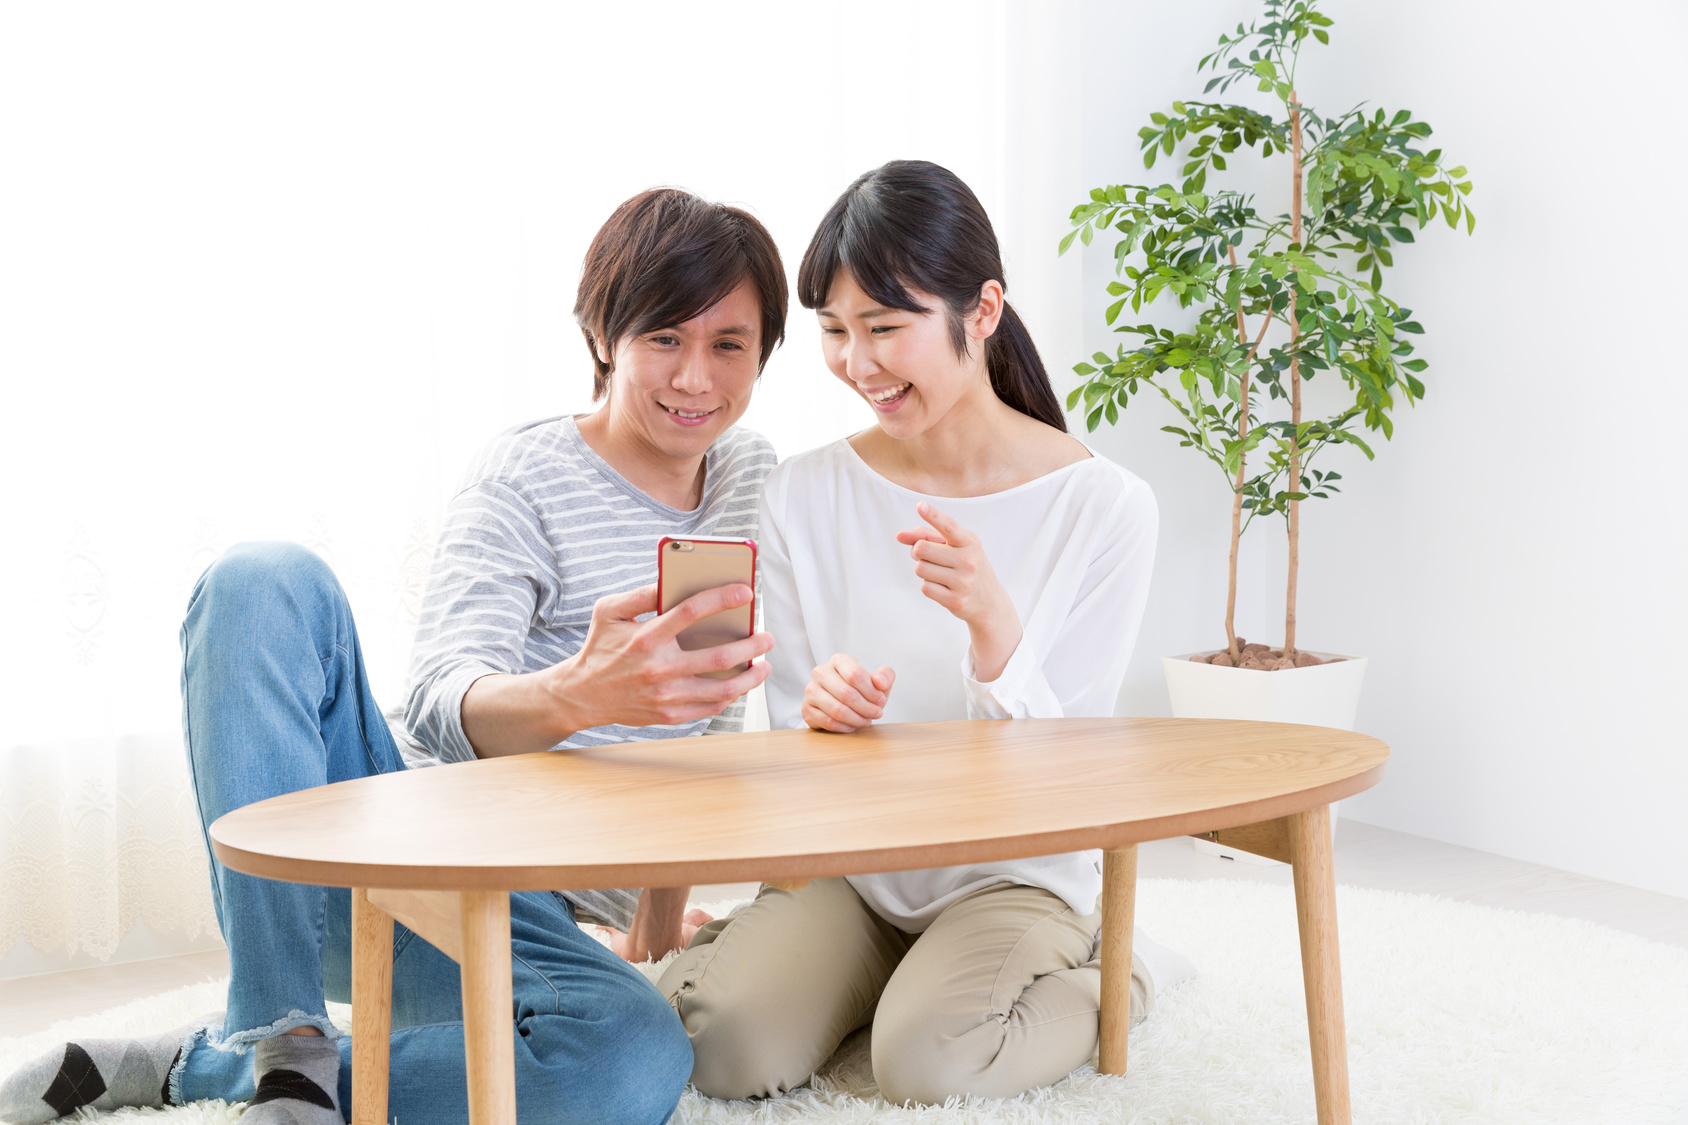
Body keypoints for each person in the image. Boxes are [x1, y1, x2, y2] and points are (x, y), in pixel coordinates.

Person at [1, 187, 786, 1125]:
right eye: (665, 337)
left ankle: (238, 1070)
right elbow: (441, 702)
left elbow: (699, 735)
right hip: (403, 867)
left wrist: (649, 933)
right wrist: (579, 693)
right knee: (263, 579)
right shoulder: (526, 475)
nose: (697, 378)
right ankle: (275, 1025)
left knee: (630, 1058)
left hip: (531, 930)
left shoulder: (750, 478)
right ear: (604, 334)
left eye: (728, 345)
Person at [656, 160, 1195, 1105]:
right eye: (834, 332)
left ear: (982, 311)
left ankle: (1127, 968)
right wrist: (821, 715)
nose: (858, 364)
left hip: (1011, 873)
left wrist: (994, 625)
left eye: (886, 328)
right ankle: (859, 979)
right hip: (854, 867)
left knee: (928, 1061)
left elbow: (1073, 769)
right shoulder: (804, 492)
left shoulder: (1104, 508)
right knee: (724, 1045)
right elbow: (788, 741)